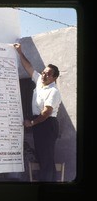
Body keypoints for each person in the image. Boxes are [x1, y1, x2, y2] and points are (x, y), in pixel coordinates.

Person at [14, 43, 62, 182]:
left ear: (54, 78)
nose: (44, 75)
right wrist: (20, 52)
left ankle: (46, 186)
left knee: (45, 158)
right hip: (40, 123)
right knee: (43, 157)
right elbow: (28, 67)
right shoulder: (40, 81)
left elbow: (46, 113)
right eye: (44, 72)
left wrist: (32, 123)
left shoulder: (53, 91)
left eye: (48, 74)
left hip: (47, 124)